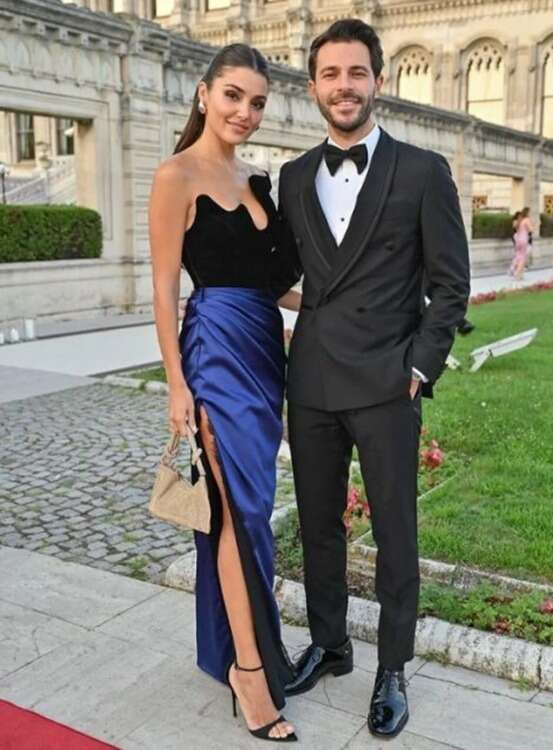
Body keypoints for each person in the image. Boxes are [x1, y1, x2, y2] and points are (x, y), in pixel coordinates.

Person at [276, 20, 470, 740]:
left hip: (389, 384)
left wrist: (418, 368)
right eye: (330, 74)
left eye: (356, 72)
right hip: (312, 383)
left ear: (378, 82)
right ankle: (330, 644)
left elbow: (451, 285)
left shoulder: (422, 171)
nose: (344, 86)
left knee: (394, 532)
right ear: (313, 87)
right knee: (318, 526)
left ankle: (392, 666)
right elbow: (287, 275)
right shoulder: (294, 176)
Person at [148, 43, 302, 743]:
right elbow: (162, 291)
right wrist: (177, 384)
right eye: (234, 95)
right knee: (238, 512)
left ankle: (237, 647)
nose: (245, 111)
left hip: (264, 349)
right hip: (213, 350)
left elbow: (277, 285)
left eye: (257, 101)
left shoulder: (258, 181)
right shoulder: (175, 175)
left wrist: (352, 308)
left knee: (251, 507)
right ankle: (249, 670)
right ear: (204, 93)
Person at [510, 207, 532, 280]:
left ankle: (516, 271)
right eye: (530, 212)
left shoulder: (519, 221)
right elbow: (530, 229)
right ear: (527, 213)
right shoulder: (526, 220)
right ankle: (517, 273)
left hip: (518, 240)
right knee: (523, 258)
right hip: (524, 239)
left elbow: (515, 228)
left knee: (518, 255)